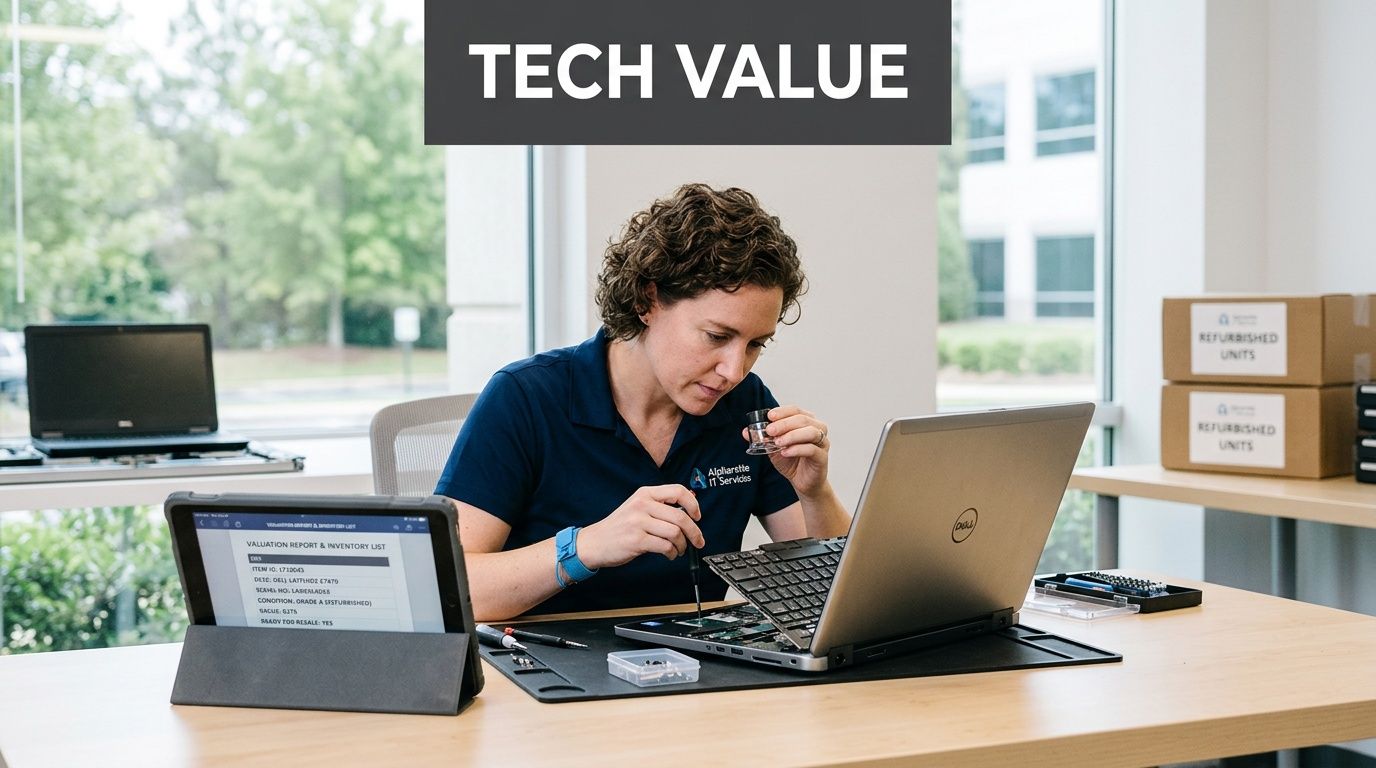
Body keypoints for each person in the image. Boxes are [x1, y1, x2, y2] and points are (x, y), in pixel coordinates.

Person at [436, 183, 851, 622]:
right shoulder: (526, 398)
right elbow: (450, 588)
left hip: (703, 671)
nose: (734, 370)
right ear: (647, 301)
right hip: (548, 665)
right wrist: (586, 547)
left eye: (755, 344)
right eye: (717, 336)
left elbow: (837, 595)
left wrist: (814, 492)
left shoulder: (743, 405)